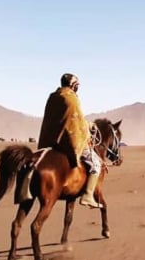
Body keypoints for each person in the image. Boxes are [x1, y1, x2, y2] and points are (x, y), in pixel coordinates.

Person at [37, 73, 103, 209]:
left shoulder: (54, 96)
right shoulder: (72, 98)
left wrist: (87, 123)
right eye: (77, 84)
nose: (78, 87)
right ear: (72, 85)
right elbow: (75, 122)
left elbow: (69, 119)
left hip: (53, 141)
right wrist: (89, 128)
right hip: (67, 141)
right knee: (96, 163)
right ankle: (88, 195)